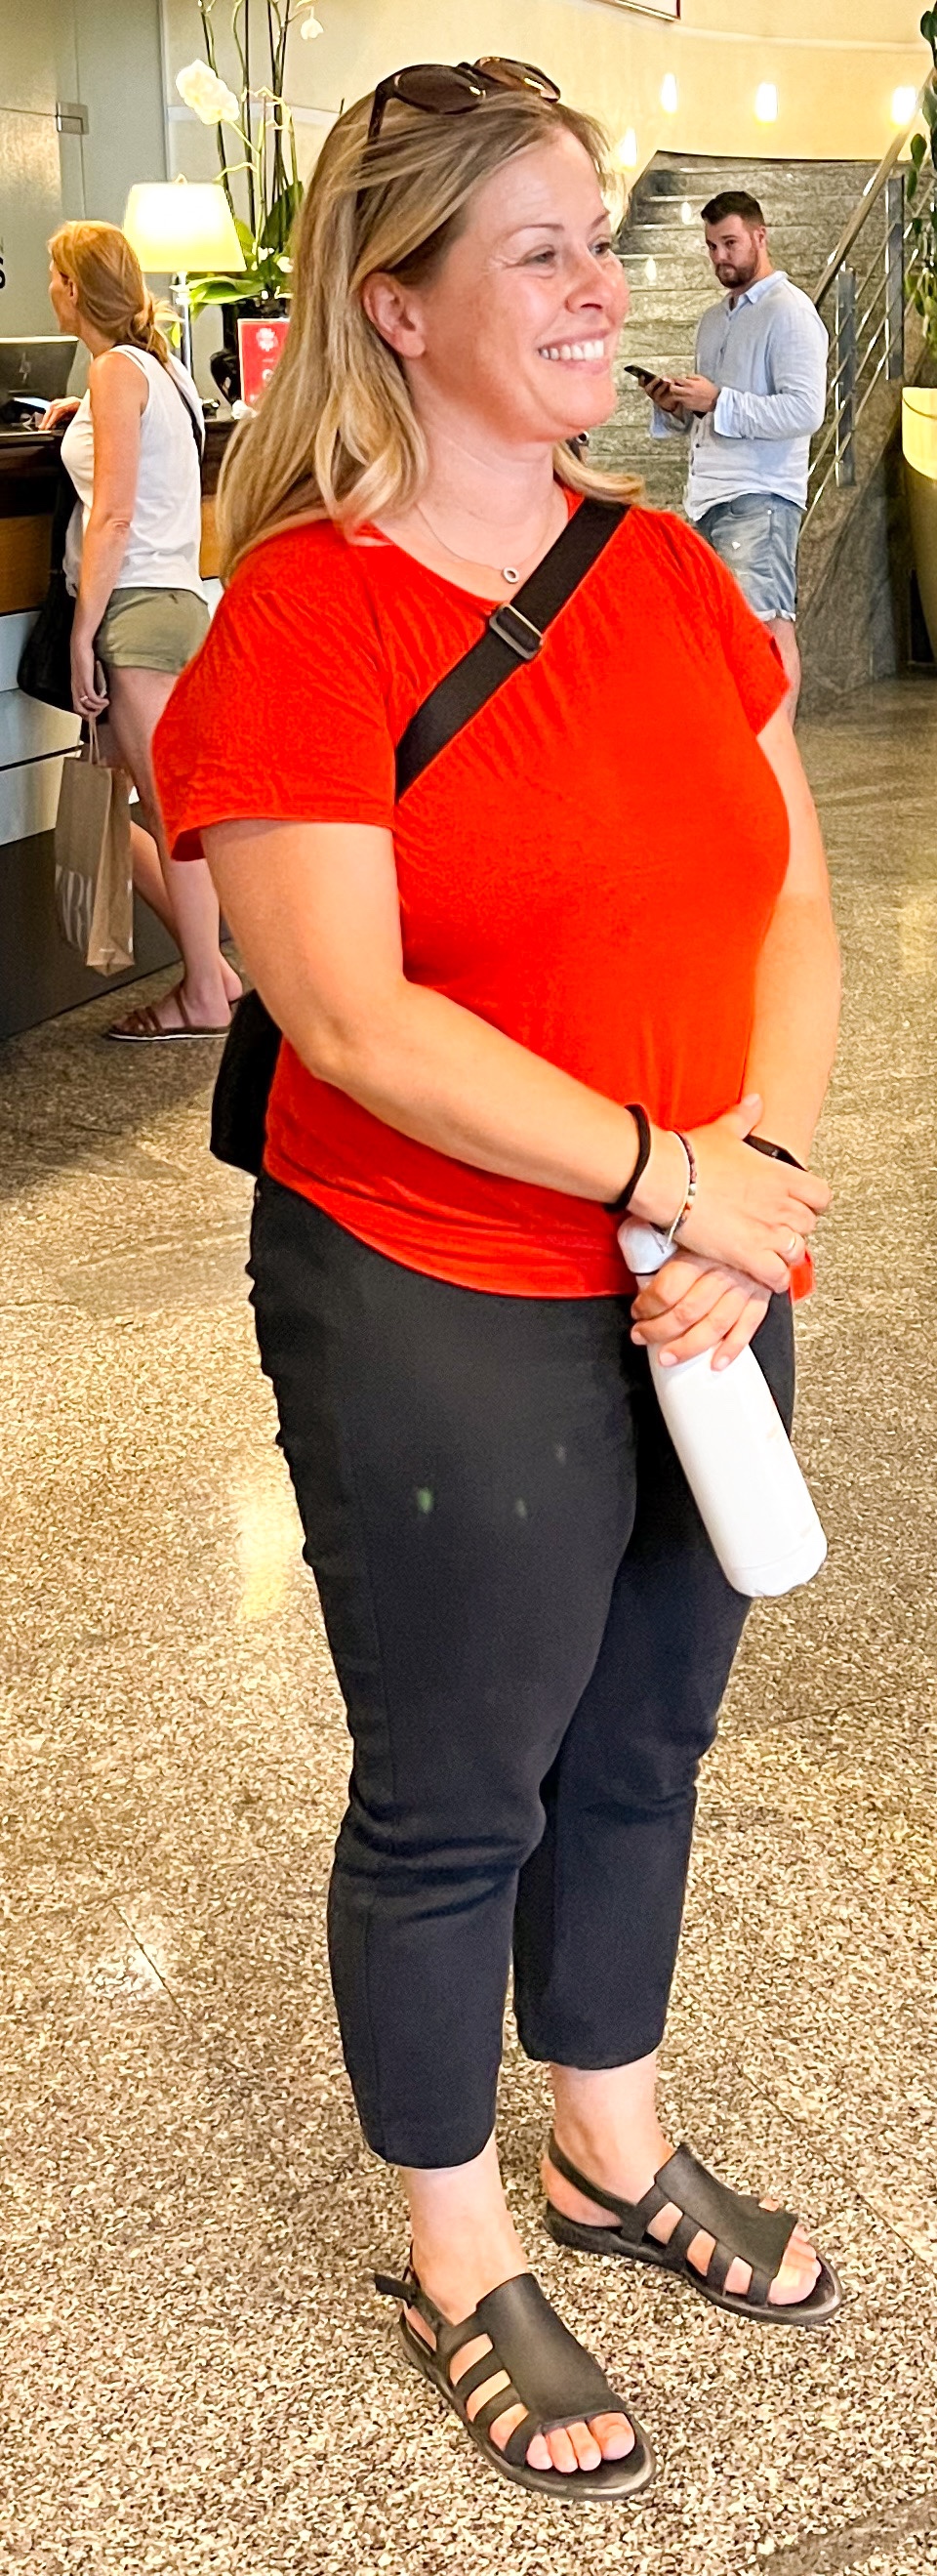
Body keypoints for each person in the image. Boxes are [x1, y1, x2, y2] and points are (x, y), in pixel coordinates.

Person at [153, 62, 842, 2504]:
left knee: (650, 1728)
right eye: (535, 248)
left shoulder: (668, 575)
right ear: (396, 304)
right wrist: (672, 1170)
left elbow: (789, 894)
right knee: (462, 1778)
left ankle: (606, 2142)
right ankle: (456, 2243)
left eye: (598, 241)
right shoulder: (309, 610)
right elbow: (349, 1017)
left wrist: (754, 1181)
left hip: (702, 1255)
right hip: (433, 1272)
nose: (593, 287)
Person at [42, 221, 240, 1039]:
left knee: (163, 815)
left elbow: (115, 517)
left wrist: (81, 633)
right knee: (116, 808)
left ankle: (203, 992)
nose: (49, 289)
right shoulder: (159, 370)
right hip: (177, 606)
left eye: (54, 276)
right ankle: (215, 974)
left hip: (135, 612)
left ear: (74, 289)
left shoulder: (115, 371)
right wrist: (80, 417)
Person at [637, 190, 829, 720]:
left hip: (761, 496)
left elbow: (805, 411)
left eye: (730, 243)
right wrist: (677, 406)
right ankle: (745, 744)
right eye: (711, 246)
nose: (720, 257)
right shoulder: (712, 320)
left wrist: (719, 399)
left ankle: (776, 751)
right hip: (707, 495)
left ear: (759, 237)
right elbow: (712, 414)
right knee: (724, 634)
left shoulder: (789, 312)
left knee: (768, 626)